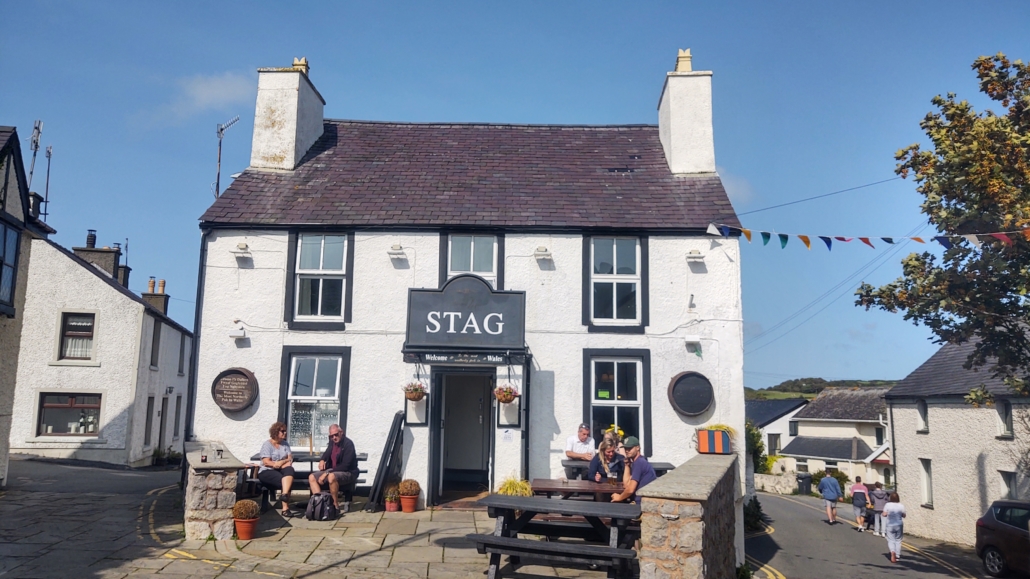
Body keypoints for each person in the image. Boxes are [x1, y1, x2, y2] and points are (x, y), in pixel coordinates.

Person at [308, 424, 359, 512]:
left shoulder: (348, 444)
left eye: (336, 435)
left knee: (331, 476)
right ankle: (320, 504)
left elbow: (345, 466)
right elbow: (327, 452)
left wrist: (327, 472)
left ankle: (335, 506)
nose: (334, 437)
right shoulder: (332, 442)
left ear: (341, 432)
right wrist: (322, 460)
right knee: (312, 477)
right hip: (333, 471)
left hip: (348, 472)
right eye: (331, 436)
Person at [258, 421, 295, 516]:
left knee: (290, 470)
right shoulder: (267, 444)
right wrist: (278, 463)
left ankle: (284, 496)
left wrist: (281, 462)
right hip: (267, 471)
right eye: (282, 431)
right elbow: (266, 462)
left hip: (280, 469)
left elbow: (290, 459)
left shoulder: (285, 444)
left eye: (285, 431)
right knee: (286, 481)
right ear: (275, 432)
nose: (285, 433)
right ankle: (285, 508)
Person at [610, 436, 656, 504]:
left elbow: (630, 490)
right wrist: (627, 465)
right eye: (625, 448)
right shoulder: (636, 462)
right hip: (640, 501)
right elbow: (626, 485)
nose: (627, 451)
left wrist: (619, 497)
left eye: (630, 448)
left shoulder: (639, 462)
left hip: (642, 503)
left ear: (637, 448)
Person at [883, 492, 906, 563]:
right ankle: (897, 556)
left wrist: (886, 514)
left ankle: (892, 551)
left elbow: (884, 514)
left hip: (890, 524)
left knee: (891, 540)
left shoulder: (887, 505)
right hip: (899, 524)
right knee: (898, 540)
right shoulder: (901, 506)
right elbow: (904, 515)